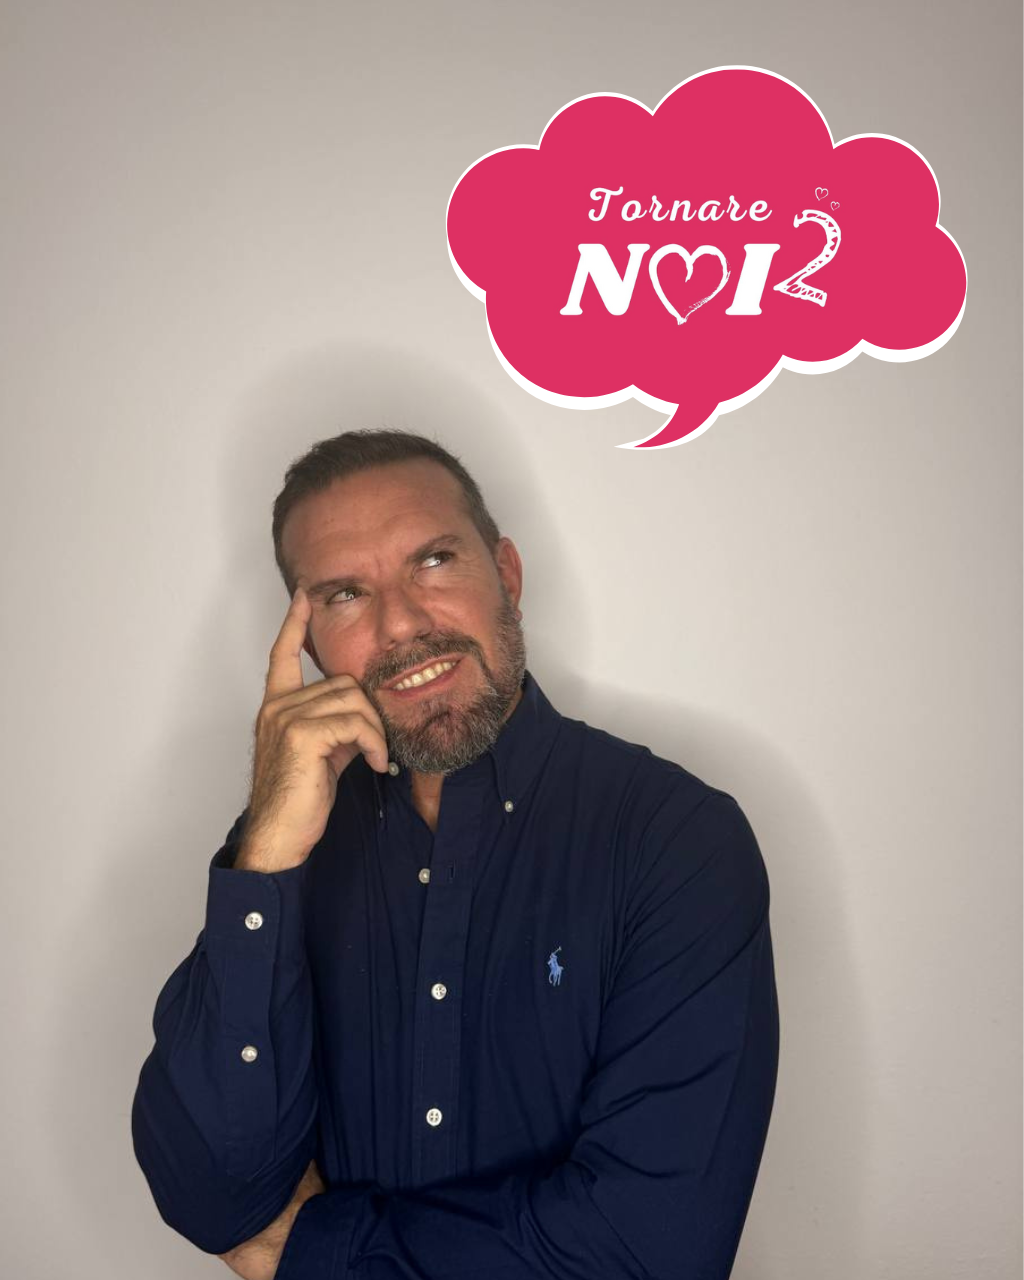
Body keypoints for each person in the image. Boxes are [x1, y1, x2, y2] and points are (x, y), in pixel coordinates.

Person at [131, 429, 780, 1280]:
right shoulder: (282, 846)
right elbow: (210, 1194)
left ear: (507, 574)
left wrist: (311, 1255)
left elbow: (649, 1251)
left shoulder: (675, 839)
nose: (402, 622)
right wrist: (264, 863)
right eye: (345, 595)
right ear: (311, 644)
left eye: (434, 561)